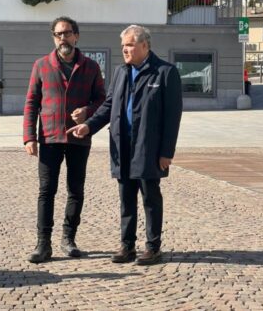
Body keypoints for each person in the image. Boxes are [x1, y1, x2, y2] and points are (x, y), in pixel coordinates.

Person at [67, 25, 183, 265]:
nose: (125, 50)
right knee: (126, 198)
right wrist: (88, 125)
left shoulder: (165, 73)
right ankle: (127, 245)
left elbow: (172, 117)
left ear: (144, 45)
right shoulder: (121, 72)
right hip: (122, 146)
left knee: (150, 197)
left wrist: (166, 152)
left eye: (129, 45)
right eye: (123, 46)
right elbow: (108, 106)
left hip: (149, 148)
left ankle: (153, 246)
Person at [23, 16, 106, 263]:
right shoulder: (41, 65)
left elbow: (103, 101)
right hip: (49, 137)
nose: (63, 38)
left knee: (75, 190)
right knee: (46, 191)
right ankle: (43, 243)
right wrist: (29, 137)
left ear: (76, 36)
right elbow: (31, 103)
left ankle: (69, 238)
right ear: (53, 38)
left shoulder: (91, 67)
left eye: (67, 33)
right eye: (58, 34)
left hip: (79, 137)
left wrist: (88, 112)